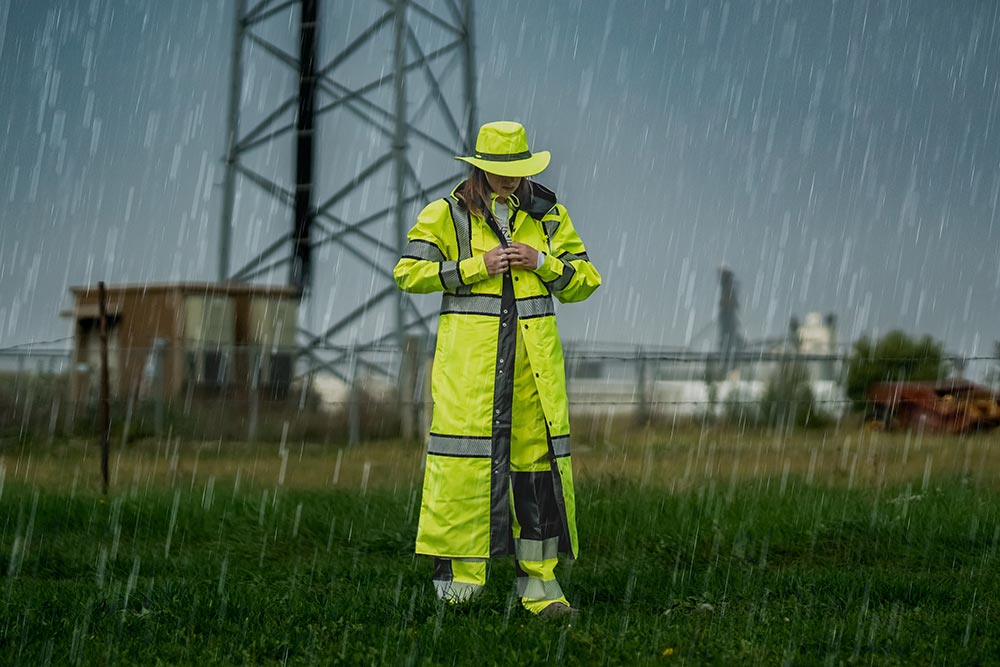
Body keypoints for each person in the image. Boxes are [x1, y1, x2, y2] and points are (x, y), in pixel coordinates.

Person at [394, 121, 601, 616]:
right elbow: (408, 273)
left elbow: (586, 280)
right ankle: (459, 591)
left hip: (533, 376)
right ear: (481, 168)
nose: (510, 180)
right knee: (464, 472)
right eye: (500, 171)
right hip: (471, 373)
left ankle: (540, 589)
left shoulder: (548, 215)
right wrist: (474, 268)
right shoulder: (446, 214)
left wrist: (542, 262)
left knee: (535, 477)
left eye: (517, 171)